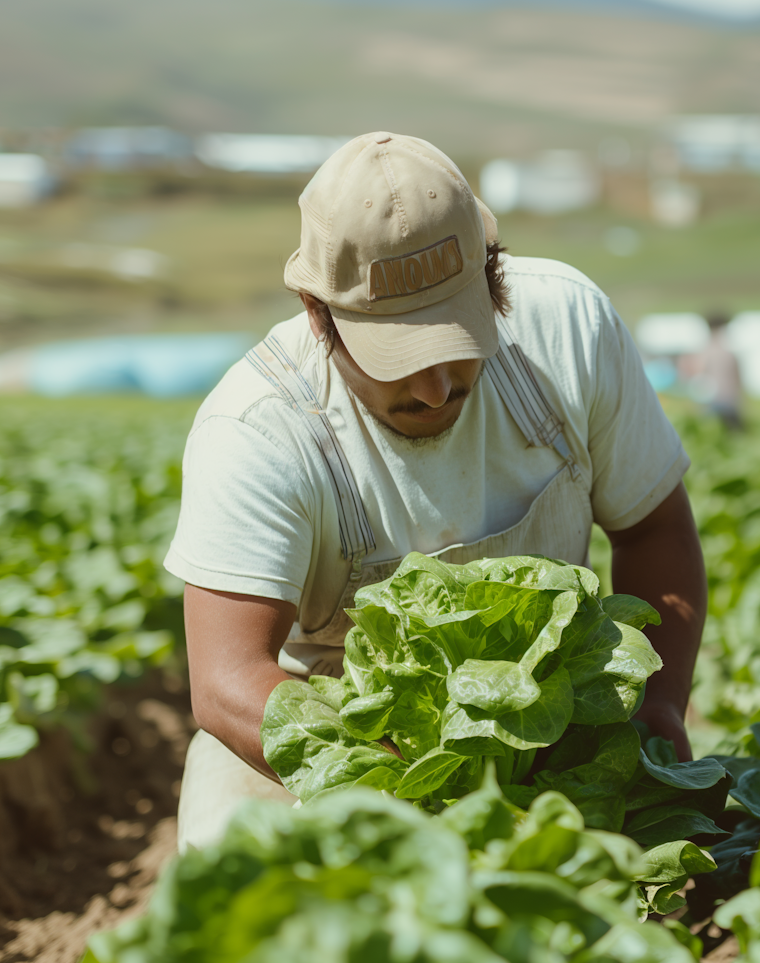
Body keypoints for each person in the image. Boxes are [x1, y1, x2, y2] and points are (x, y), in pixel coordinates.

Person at [163, 132, 706, 851]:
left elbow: (653, 531)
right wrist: (404, 784)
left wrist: (661, 705)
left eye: (456, 340)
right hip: (325, 738)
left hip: (553, 732)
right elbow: (228, 680)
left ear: (494, 279)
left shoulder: (570, 327)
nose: (436, 386)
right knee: (240, 898)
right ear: (319, 313)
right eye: (398, 355)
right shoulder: (259, 428)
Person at [687, 312, 744, 431]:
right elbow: (738, 381)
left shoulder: (704, 352)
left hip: (714, 401)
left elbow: (696, 378)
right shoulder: (727, 353)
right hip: (725, 401)